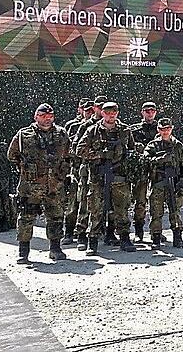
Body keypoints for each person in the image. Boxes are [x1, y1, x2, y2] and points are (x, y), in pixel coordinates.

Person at [7, 103, 71, 264]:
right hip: (30, 186)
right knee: (26, 217)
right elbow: (12, 154)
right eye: (43, 116)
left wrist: (63, 171)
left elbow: (69, 155)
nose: (47, 119)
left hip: (55, 185)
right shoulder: (24, 134)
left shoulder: (61, 133)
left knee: (56, 216)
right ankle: (23, 252)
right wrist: (24, 168)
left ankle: (55, 249)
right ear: (36, 117)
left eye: (50, 116)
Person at [75, 101, 135, 254]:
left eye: (113, 112)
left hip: (119, 176)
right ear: (102, 113)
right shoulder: (93, 131)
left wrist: (122, 157)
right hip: (98, 176)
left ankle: (124, 238)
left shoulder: (125, 131)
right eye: (107, 112)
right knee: (96, 209)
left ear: (117, 113)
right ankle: (93, 241)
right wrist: (100, 155)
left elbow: (132, 151)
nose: (111, 115)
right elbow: (79, 150)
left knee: (121, 209)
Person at [143, 117, 183, 248]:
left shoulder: (177, 145)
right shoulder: (153, 145)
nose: (165, 132)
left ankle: (177, 236)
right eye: (163, 129)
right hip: (158, 182)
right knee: (156, 212)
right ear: (158, 130)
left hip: (174, 183)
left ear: (172, 129)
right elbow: (145, 160)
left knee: (175, 210)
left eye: (168, 129)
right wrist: (160, 159)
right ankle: (156, 238)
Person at [71, 95, 107, 251]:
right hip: (88, 169)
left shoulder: (110, 126)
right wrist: (97, 154)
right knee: (85, 202)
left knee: (106, 202)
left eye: (103, 107)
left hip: (107, 169)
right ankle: (81, 235)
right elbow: (76, 148)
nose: (100, 109)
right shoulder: (87, 126)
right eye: (98, 107)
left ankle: (106, 232)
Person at [62, 98, 92, 245]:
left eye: (91, 110)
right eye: (86, 110)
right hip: (75, 169)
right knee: (73, 202)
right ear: (80, 110)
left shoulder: (96, 126)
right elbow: (67, 148)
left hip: (90, 169)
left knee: (88, 202)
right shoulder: (73, 126)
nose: (89, 113)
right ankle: (68, 231)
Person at [129, 101, 158, 242]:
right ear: (142, 112)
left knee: (157, 202)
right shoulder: (134, 130)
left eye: (152, 110)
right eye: (147, 110)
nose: (150, 113)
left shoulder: (161, 129)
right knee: (140, 202)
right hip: (141, 170)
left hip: (157, 170)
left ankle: (156, 231)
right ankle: (138, 232)